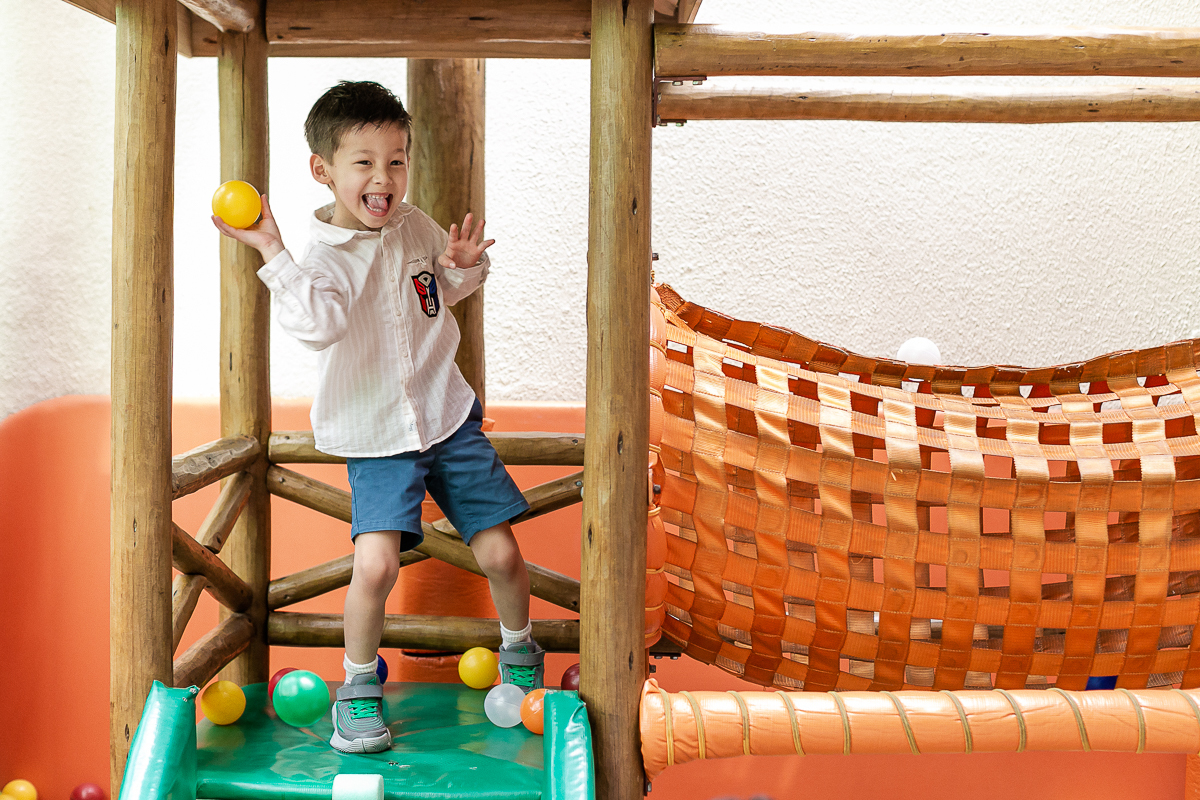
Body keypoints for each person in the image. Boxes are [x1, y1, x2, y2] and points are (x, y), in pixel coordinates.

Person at [212, 80, 542, 754]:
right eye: (363, 162)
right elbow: (317, 324)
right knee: (376, 568)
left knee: (504, 554)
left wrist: (464, 269)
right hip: (379, 436)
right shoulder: (322, 258)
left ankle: (520, 655)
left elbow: (435, 296)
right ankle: (357, 690)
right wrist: (272, 249)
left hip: (447, 419)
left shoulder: (414, 225)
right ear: (324, 171)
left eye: (396, 160)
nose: (383, 178)